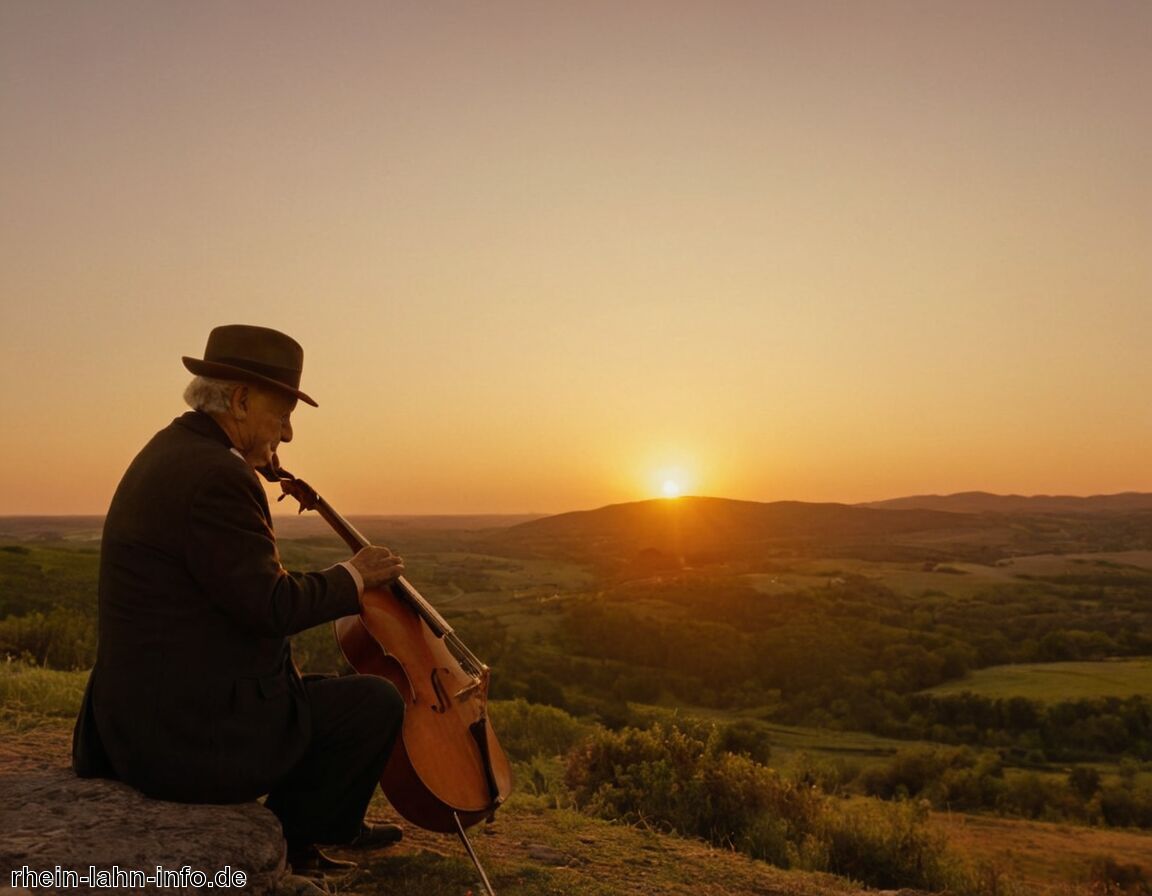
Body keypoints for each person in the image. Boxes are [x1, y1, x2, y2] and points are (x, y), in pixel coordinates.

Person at [73, 324, 407, 873]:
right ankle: (300, 842)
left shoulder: (173, 449)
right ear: (242, 399)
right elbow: (271, 607)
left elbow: (230, 581)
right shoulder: (217, 477)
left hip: (136, 722)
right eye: (282, 415)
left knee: (314, 692)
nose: (290, 434)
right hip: (185, 743)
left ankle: (332, 825)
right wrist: (354, 575)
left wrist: (247, 458)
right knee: (374, 702)